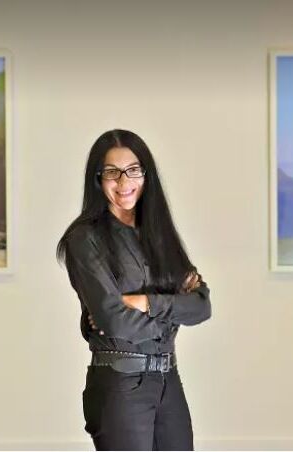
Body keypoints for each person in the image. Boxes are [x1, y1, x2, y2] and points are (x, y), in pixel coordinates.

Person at [56, 129, 211, 451]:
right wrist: (173, 308)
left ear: (146, 175)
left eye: (133, 170)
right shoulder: (86, 239)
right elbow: (115, 322)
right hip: (120, 382)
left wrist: (144, 302)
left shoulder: (159, 234)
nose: (124, 181)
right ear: (98, 179)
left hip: (169, 380)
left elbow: (202, 306)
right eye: (112, 172)